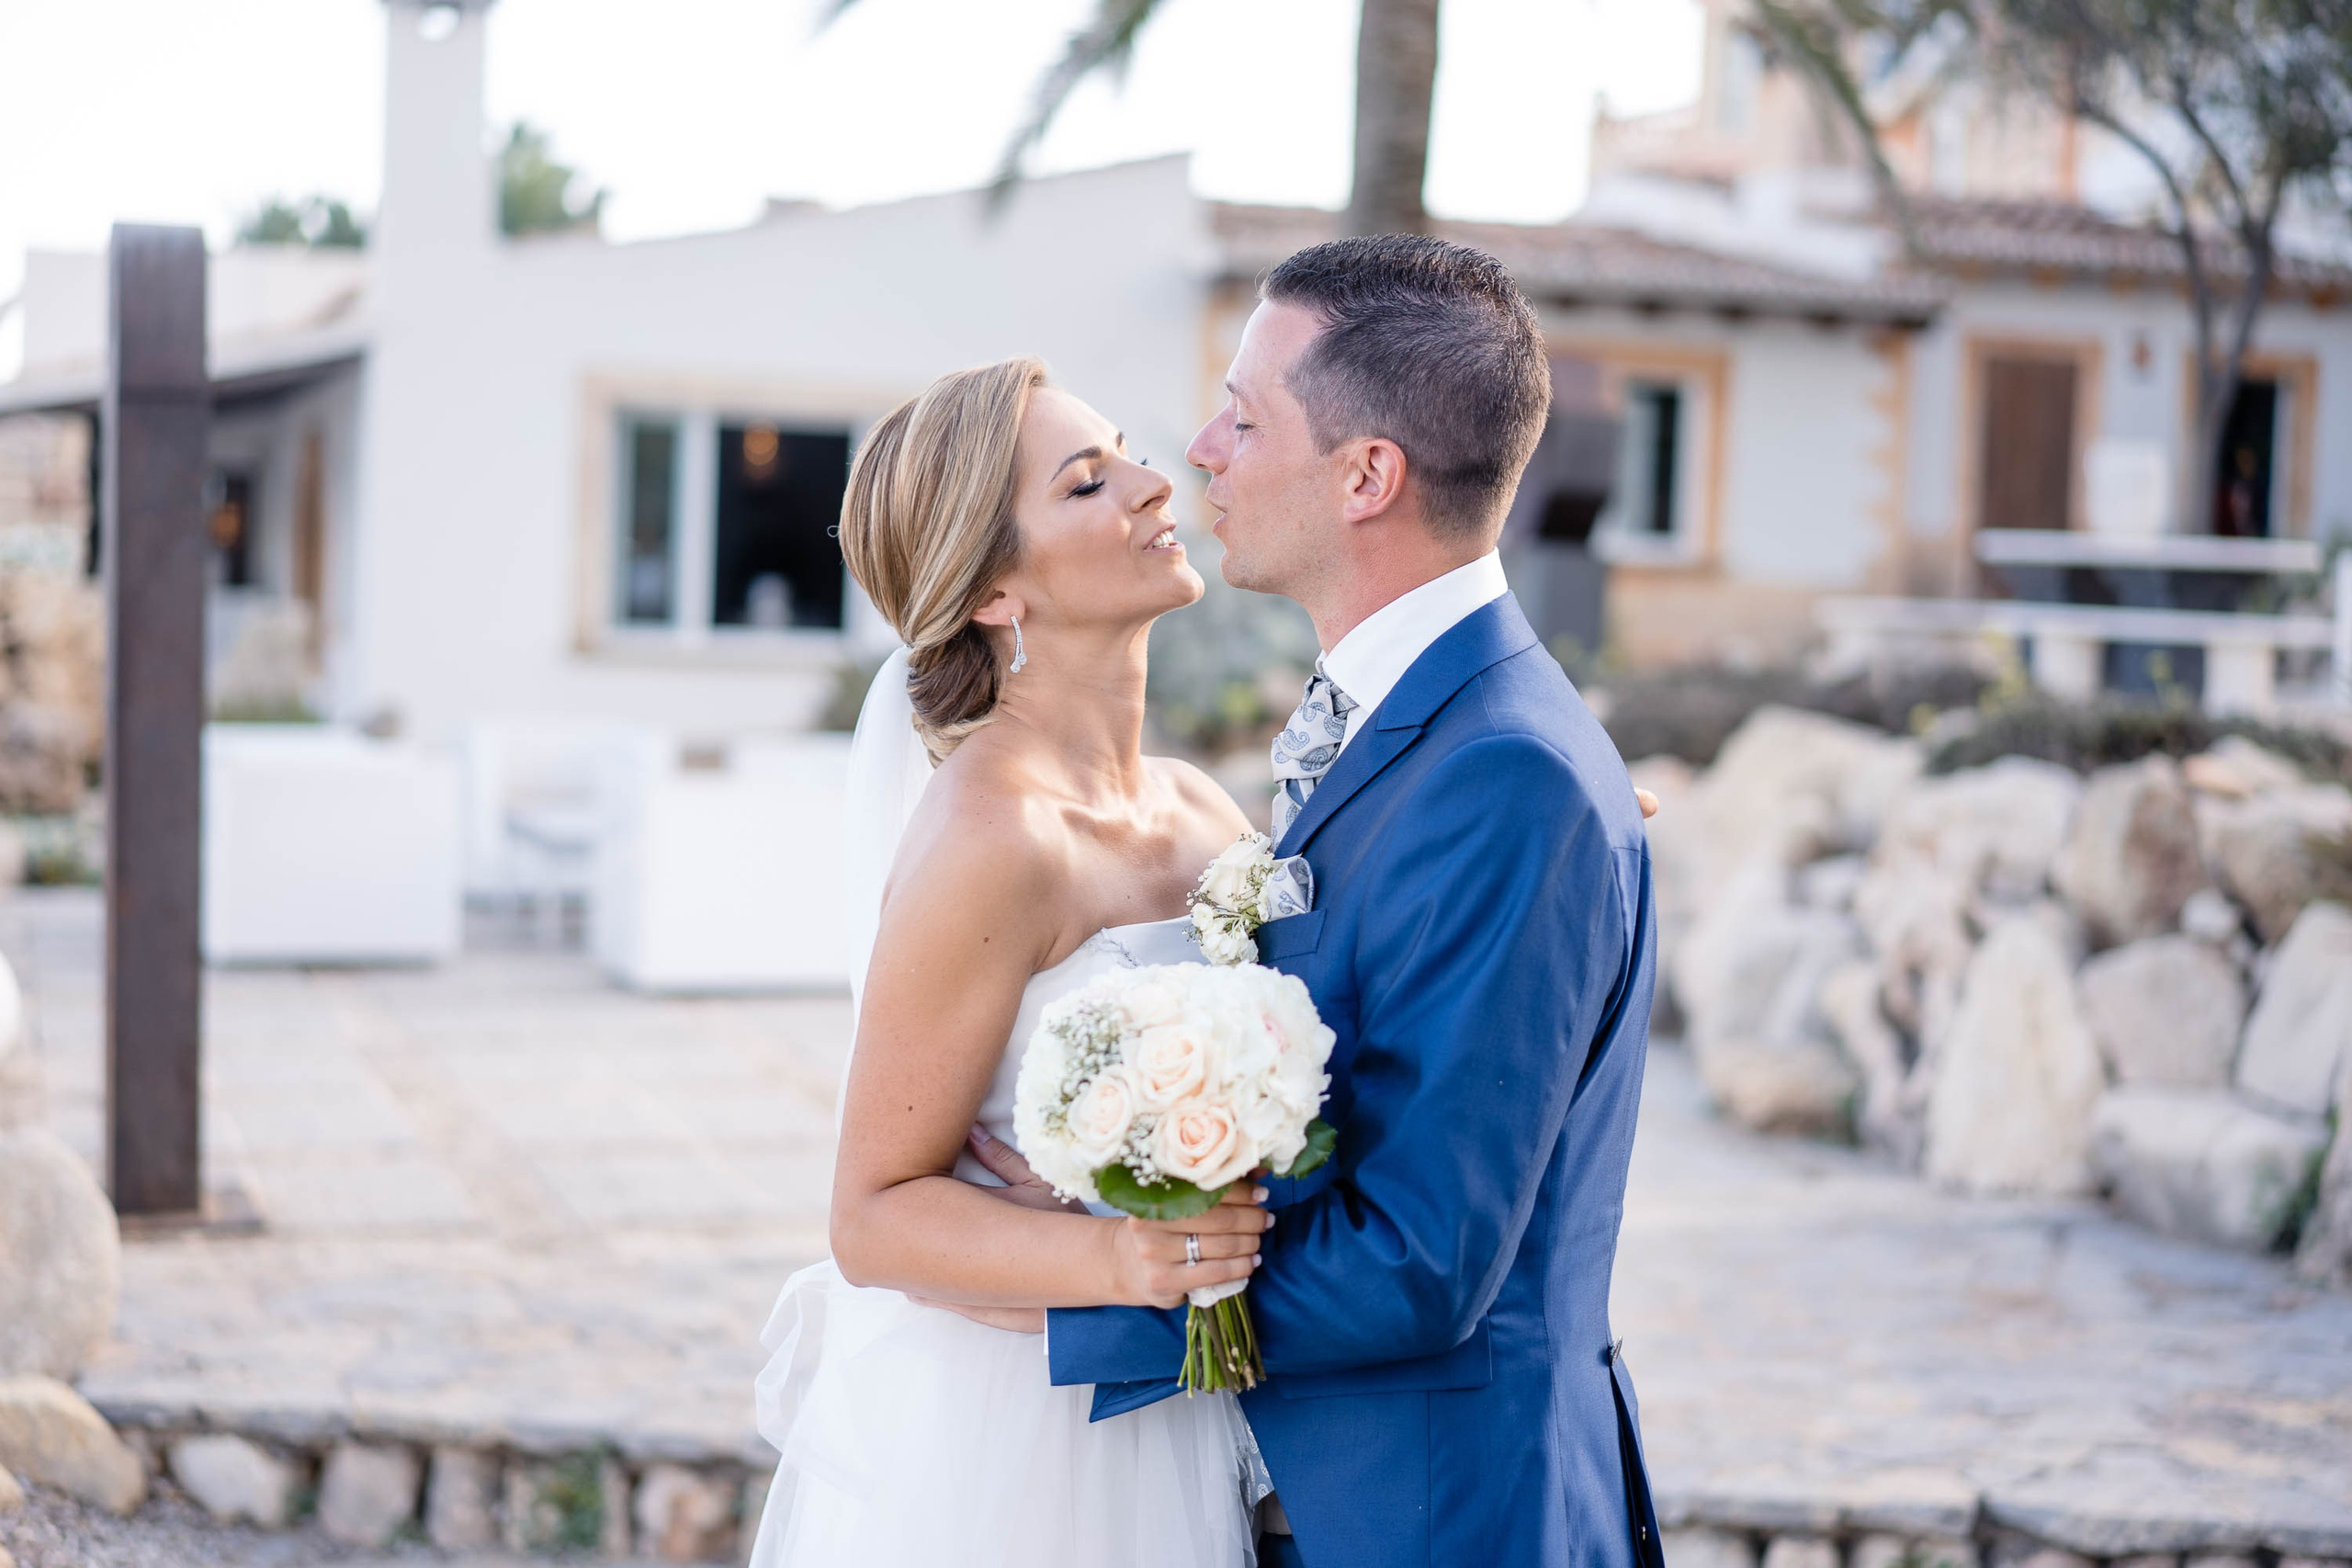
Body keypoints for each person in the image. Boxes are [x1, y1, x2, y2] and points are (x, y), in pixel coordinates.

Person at [1025, 236, 1665, 1567]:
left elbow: (1421, 1263)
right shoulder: (1426, 737)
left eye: (1244, 416)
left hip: (1437, 1520)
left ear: (1367, 476)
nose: (1201, 449)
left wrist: (1073, 1288)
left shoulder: (1506, 779)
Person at [745, 355, 1273, 1566]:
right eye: (1090, 484)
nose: (1156, 486)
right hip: (1024, 1442)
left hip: (1183, 1412)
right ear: (994, 590)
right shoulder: (995, 839)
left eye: (1131, 453)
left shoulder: (1202, 815)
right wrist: (1123, 1248)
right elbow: (871, 1219)